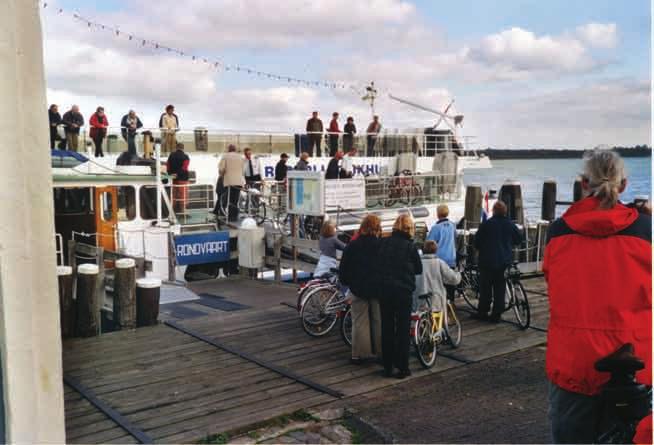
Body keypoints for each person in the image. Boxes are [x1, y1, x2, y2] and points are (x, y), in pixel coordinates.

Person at [543, 149, 652, 444]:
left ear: (584, 183)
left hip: (573, 363)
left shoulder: (558, 232)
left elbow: (553, 282)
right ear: (625, 185)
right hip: (634, 361)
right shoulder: (647, 233)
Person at [377, 214, 422, 378]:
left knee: (387, 328)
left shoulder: (384, 242)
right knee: (403, 329)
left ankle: (387, 366)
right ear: (409, 229)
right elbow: (418, 269)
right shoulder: (411, 247)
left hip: (385, 290)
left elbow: (378, 264)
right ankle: (403, 367)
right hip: (403, 292)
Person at [339, 215, 383, 364]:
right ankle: (380, 351)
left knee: (359, 321)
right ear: (377, 227)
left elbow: (344, 269)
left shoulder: (353, 245)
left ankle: (360, 354)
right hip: (378, 288)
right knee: (378, 320)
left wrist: (348, 283)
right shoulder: (382, 245)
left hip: (358, 287)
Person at [473, 200, 522, 322]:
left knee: (486, 288)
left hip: (487, 261)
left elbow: (476, 242)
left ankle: (483, 311)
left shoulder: (486, 224)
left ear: (494, 211)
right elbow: (518, 240)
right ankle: (496, 314)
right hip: (504, 261)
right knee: (500, 288)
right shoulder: (510, 224)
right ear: (505, 211)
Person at [413, 240, 461, 313]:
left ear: (423, 250)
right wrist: (458, 273)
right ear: (436, 250)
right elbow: (453, 279)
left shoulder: (416, 263)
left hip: (418, 299)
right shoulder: (439, 263)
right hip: (436, 300)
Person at [426, 205, 457, 300]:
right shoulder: (452, 225)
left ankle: (441, 305)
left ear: (438, 214)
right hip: (451, 257)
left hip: (440, 259)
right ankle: (451, 302)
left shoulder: (436, 228)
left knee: (440, 284)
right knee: (450, 281)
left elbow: (429, 243)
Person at [218, 144, 245, 222]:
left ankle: (229, 217)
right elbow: (243, 171)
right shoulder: (240, 157)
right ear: (235, 149)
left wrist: (221, 174)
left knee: (229, 198)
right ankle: (234, 216)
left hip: (229, 181)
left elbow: (221, 168)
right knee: (235, 199)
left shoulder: (225, 156)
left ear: (228, 149)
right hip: (239, 181)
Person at [166, 143, 190, 214]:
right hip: (182, 179)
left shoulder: (171, 155)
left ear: (176, 148)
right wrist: (178, 174)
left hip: (173, 178)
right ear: (183, 148)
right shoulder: (185, 156)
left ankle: (172, 211)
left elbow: (167, 166)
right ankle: (182, 211)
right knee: (183, 194)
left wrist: (171, 174)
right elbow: (184, 168)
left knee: (174, 194)